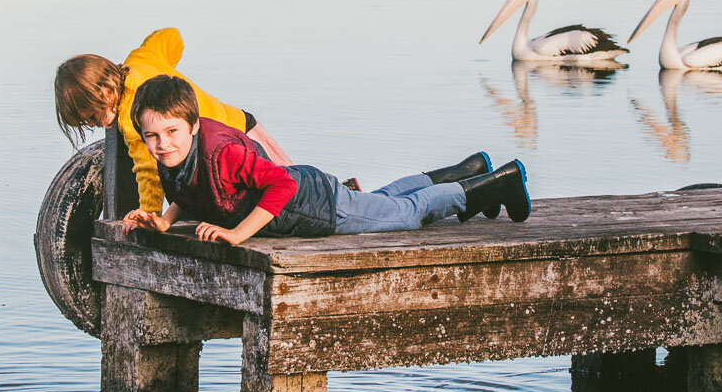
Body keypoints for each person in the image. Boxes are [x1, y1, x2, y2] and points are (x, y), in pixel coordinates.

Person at [113, 75, 530, 246]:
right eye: (152, 136)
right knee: (385, 199)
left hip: (319, 206)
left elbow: (282, 186)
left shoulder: (223, 151)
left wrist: (238, 234)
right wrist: (165, 221)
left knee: (408, 214)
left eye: (171, 133)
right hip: (317, 195)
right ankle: (472, 169)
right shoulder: (175, 157)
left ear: (191, 125)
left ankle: (501, 182)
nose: (162, 144)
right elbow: (193, 187)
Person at [54, 28, 289, 214]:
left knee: (279, 202)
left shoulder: (132, 116)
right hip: (245, 125)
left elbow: (148, 171)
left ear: (105, 92)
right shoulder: (140, 60)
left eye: (92, 116)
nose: (96, 125)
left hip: (228, 153)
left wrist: (150, 213)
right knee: (289, 190)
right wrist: (166, 72)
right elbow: (170, 35)